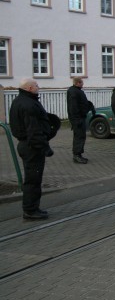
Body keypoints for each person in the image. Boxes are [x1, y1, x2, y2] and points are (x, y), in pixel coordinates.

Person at [9, 78, 55, 220]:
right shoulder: (28, 104)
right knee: (33, 179)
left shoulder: (20, 101)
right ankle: (30, 210)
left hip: (26, 144)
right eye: (36, 85)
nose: (38, 86)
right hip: (31, 146)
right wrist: (44, 147)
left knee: (32, 178)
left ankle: (32, 208)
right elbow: (33, 130)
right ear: (29, 88)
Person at [67, 76, 95, 164]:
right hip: (78, 119)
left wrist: (89, 105)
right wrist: (76, 119)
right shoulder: (74, 92)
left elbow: (82, 103)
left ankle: (78, 154)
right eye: (82, 82)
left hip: (79, 117)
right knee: (79, 137)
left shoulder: (77, 91)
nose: (83, 84)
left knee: (80, 136)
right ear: (78, 83)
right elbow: (73, 107)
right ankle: (77, 155)